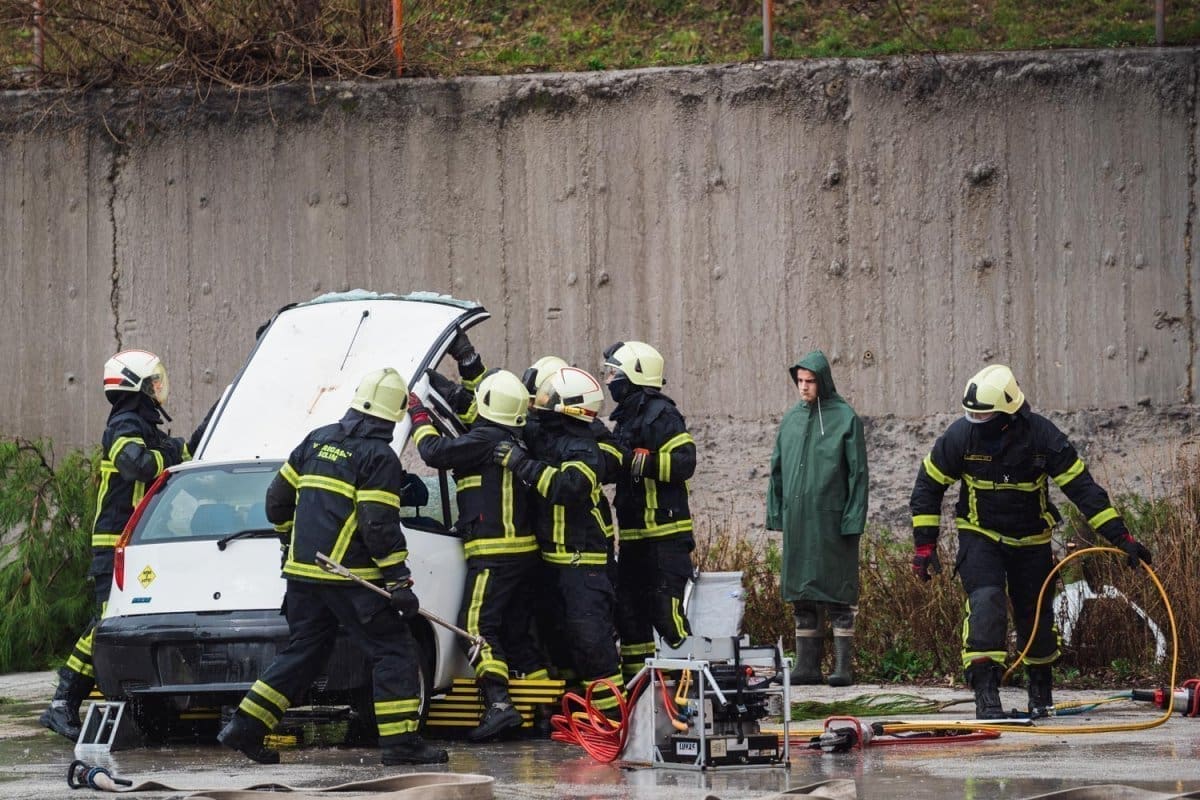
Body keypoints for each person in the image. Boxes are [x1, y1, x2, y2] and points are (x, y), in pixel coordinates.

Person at [217, 368, 446, 765]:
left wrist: (290, 542)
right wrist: (399, 581)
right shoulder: (379, 457)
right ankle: (401, 744)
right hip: (350, 579)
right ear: (392, 416)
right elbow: (377, 523)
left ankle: (245, 727)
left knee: (304, 651)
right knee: (394, 650)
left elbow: (276, 500)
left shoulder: (317, 440)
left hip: (305, 576)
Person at [910, 364, 1153, 720]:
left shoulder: (1043, 437)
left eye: (984, 414)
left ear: (1009, 411)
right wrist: (924, 546)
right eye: (972, 414)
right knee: (986, 601)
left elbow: (1083, 490)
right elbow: (927, 486)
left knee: (1035, 614)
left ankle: (1040, 689)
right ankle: (986, 693)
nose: (977, 421)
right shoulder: (960, 437)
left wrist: (1122, 537)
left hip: (1032, 541)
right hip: (982, 536)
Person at [40, 350, 189, 740]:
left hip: (137, 543)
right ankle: (63, 702)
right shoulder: (124, 424)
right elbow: (137, 465)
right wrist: (173, 451)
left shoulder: (143, 424)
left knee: (118, 620)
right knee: (107, 621)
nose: (160, 389)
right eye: (153, 381)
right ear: (136, 386)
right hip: (115, 542)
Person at [409, 369, 546, 741]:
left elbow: (433, 452)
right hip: (523, 555)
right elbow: (466, 408)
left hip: (494, 555)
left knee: (476, 629)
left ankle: (500, 705)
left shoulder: (484, 438)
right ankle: (546, 710)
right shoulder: (512, 437)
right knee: (517, 634)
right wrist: (431, 377)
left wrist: (418, 414)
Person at [497, 366, 625, 716]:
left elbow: (567, 488)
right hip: (551, 566)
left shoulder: (585, 449)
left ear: (568, 407)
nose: (541, 403)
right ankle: (573, 717)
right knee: (559, 644)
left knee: (592, 646)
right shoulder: (545, 434)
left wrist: (521, 464)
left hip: (584, 567)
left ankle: (612, 720)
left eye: (549, 398)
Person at [766, 350, 868, 688]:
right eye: (800, 381)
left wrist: (853, 518)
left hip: (833, 521)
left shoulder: (845, 418)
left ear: (823, 381)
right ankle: (807, 666)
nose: (804, 388)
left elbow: (858, 474)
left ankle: (842, 667)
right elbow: (777, 469)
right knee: (802, 595)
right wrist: (777, 512)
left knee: (838, 593)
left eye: (810, 381)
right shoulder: (792, 419)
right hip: (798, 520)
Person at [601, 341, 697, 681]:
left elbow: (685, 462)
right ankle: (639, 691)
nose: (610, 379)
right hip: (633, 539)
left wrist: (638, 461)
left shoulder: (662, 414)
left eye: (615, 373)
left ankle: (690, 688)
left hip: (665, 538)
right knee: (629, 618)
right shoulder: (626, 417)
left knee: (666, 616)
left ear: (634, 376)